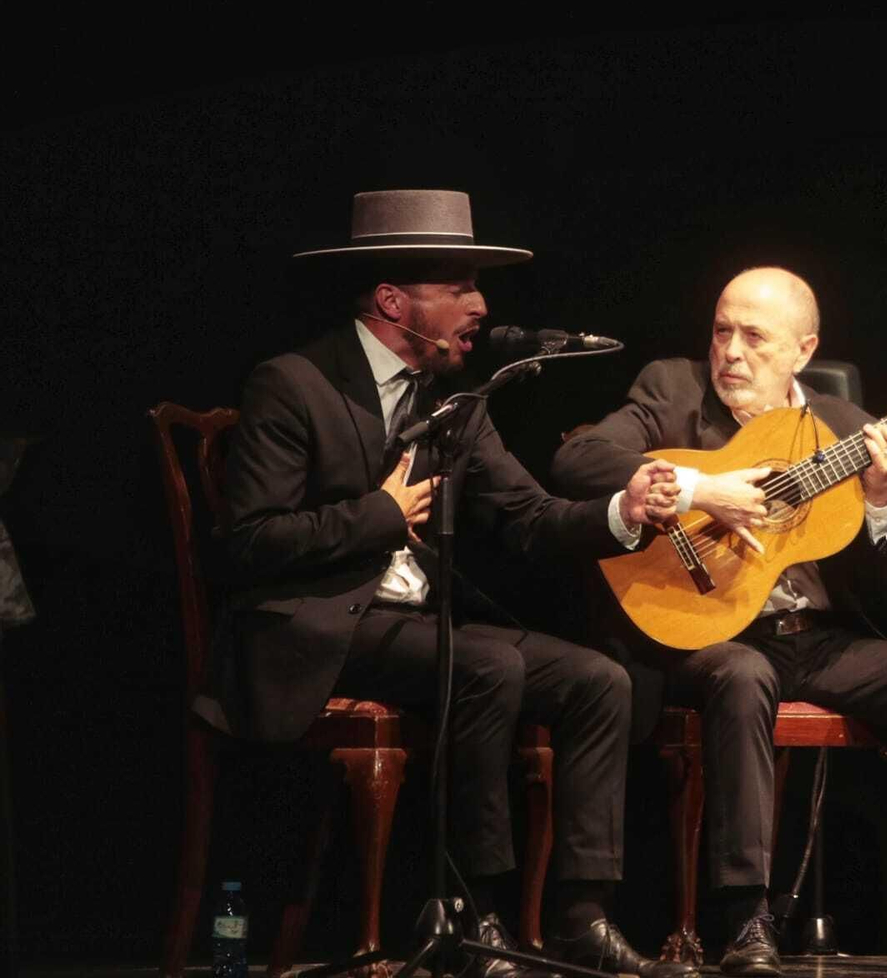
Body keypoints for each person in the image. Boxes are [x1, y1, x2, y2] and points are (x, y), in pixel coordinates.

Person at [197, 190, 694, 978]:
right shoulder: (293, 383)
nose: (481, 305)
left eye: (477, 287)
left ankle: (581, 917)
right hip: (312, 625)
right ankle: (477, 912)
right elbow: (248, 545)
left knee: (601, 680)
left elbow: (530, 518)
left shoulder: (456, 403)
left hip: (411, 626)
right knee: (485, 663)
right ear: (394, 301)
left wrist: (620, 511)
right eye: (459, 287)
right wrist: (379, 515)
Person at [551, 266, 887, 976]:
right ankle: (745, 922)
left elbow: (885, 580)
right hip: (709, 633)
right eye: (721, 331)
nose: (731, 352)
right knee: (743, 674)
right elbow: (576, 457)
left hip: (817, 641)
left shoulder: (845, 428)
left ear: (803, 349)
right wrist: (706, 487)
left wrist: (883, 498)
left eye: (754, 337)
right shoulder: (671, 389)